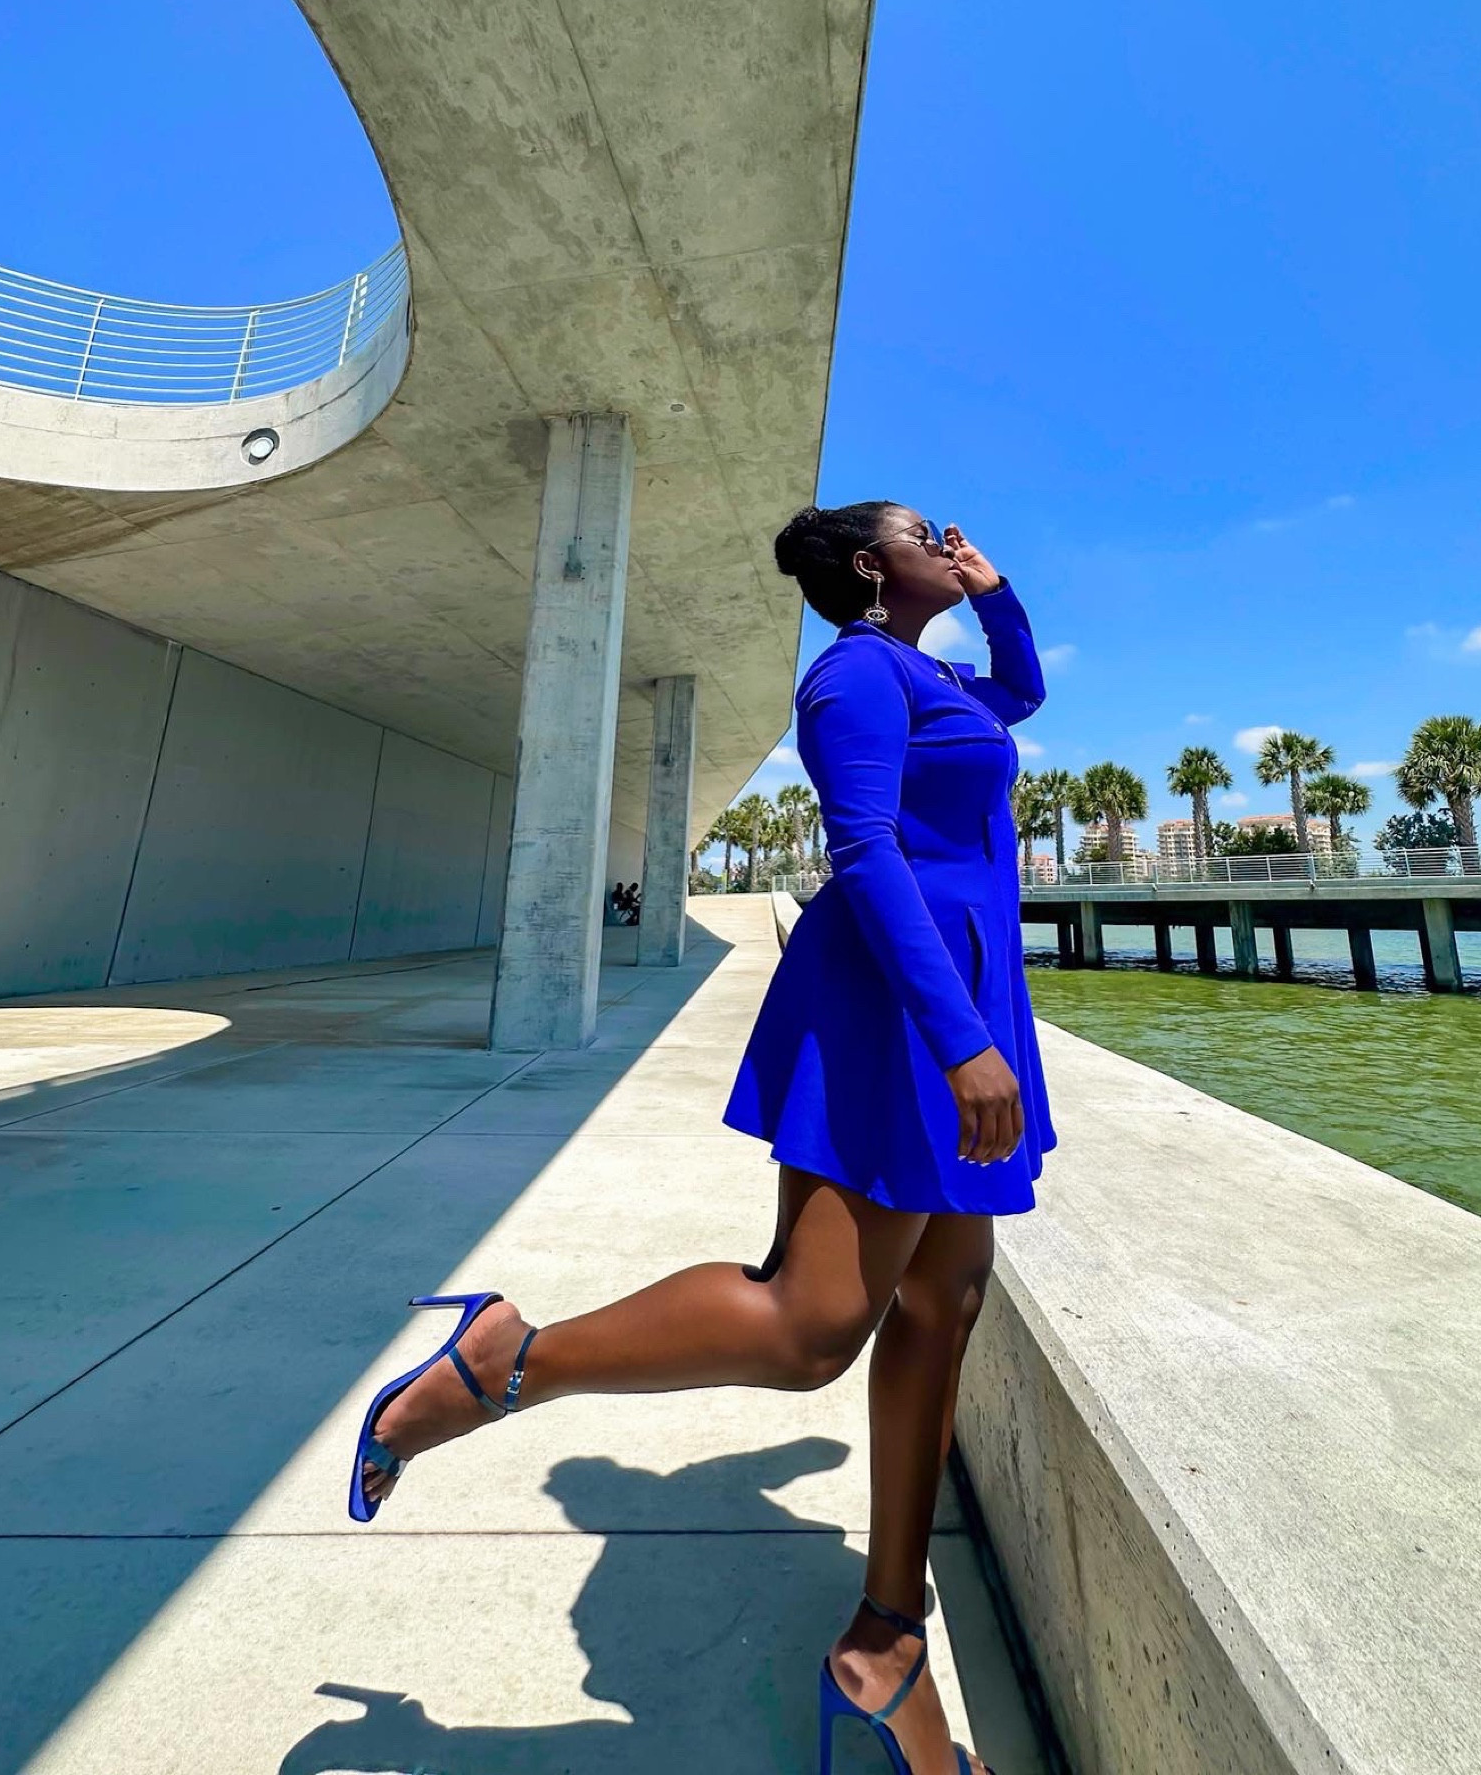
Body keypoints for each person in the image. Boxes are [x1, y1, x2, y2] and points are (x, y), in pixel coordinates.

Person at [347, 504, 1053, 1775]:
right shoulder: (851, 672)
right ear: (863, 566)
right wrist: (959, 1038)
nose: (947, 545)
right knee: (812, 1327)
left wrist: (994, 590)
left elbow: (1022, 692)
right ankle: (512, 1357)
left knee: (945, 1298)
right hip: (898, 1009)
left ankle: (887, 1638)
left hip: (961, 988)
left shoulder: (937, 670)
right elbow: (867, 850)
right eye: (920, 535)